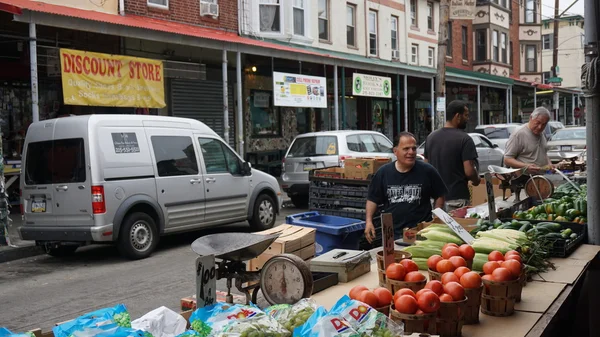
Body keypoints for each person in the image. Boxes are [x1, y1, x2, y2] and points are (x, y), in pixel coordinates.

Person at [364, 132, 448, 242]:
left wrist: (436, 218)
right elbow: (372, 199)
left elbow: (440, 195)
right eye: (406, 149)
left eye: (414, 148)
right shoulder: (383, 173)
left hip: (421, 233)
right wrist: (369, 221)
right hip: (393, 233)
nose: (411, 152)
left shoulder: (427, 171)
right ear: (395, 151)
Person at [424, 100, 480, 211]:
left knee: (437, 228)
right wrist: (476, 179)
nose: (468, 119)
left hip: (435, 200)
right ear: (457, 116)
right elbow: (469, 171)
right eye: (466, 115)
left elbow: (426, 167)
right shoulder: (465, 139)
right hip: (457, 199)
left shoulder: (431, 137)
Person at [504, 107, 554, 174]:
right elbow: (507, 159)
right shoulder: (519, 134)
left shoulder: (542, 133)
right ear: (531, 118)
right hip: (523, 178)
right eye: (538, 123)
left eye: (544, 124)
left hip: (540, 177)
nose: (540, 127)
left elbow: (543, 153)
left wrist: (549, 164)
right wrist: (526, 166)